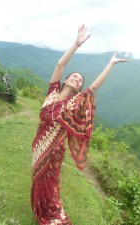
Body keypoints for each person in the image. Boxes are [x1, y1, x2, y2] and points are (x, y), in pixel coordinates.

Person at [31, 24, 129, 225]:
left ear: (78, 90)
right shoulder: (51, 94)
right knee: (37, 179)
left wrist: (111, 64)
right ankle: (39, 209)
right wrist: (77, 43)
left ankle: (52, 216)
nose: (77, 79)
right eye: (74, 77)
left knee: (50, 183)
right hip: (38, 146)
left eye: (80, 80)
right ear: (66, 80)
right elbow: (60, 65)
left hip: (54, 151)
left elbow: (93, 88)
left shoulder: (73, 105)